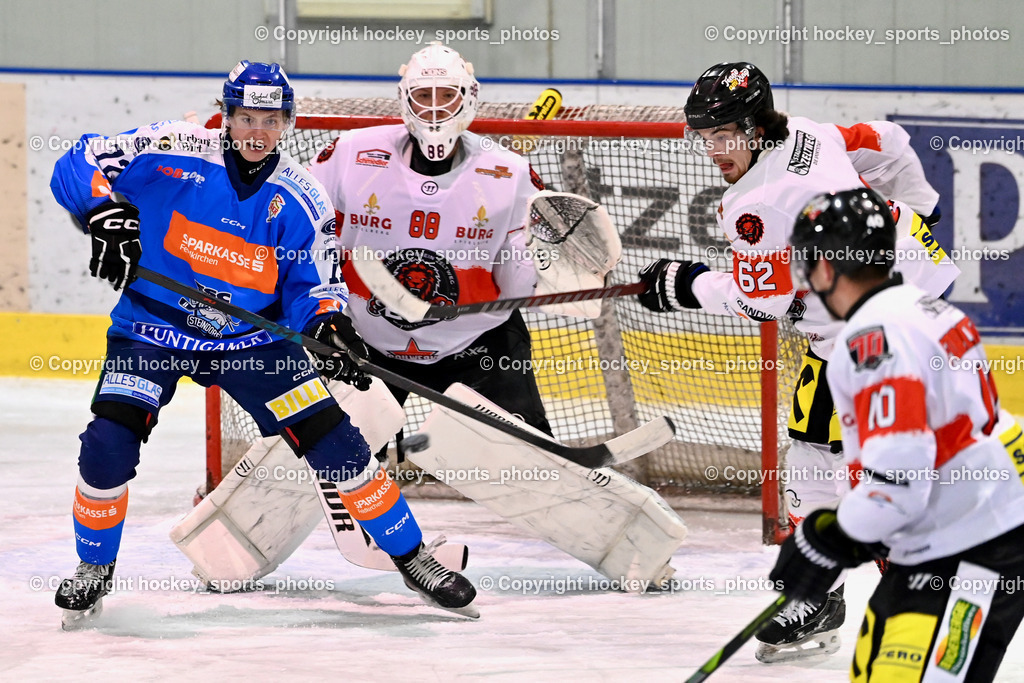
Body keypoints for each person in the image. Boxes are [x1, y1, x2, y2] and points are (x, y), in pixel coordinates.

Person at [48, 60, 476, 627]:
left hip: (251, 343)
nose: (257, 131)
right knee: (108, 440)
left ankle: (414, 558)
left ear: (287, 123)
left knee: (336, 443)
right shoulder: (172, 148)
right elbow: (77, 159)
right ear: (225, 115)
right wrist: (103, 213)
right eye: (246, 117)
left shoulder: (302, 198)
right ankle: (93, 568)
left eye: (270, 121)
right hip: (152, 329)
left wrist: (328, 325)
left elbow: (314, 287)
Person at [635, 61, 962, 662]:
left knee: (872, 473)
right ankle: (822, 596)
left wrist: (686, 284)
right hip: (904, 297)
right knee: (812, 449)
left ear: (756, 128)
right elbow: (889, 142)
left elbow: (760, 302)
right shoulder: (809, 131)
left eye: (724, 134)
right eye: (704, 136)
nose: (714, 150)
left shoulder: (757, 202)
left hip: (873, 332)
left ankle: (914, 605)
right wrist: (923, 211)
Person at [770, 187, 1024, 682]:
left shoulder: (872, 340)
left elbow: (897, 485)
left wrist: (828, 540)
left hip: (972, 545)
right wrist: (844, 533)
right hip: (970, 526)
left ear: (827, 267)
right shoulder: (927, 307)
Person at [309, 42, 551, 440]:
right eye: (424, 95)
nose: (435, 108)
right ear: (405, 99)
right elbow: (307, 240)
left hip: (475, 342)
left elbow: (520, 282)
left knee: (524, 454)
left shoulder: (511, 173)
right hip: (366, 343)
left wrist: (543, 266)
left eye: (447, 95)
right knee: (337, 456)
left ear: (468, 97)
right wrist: (319, 313)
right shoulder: (350, 155)